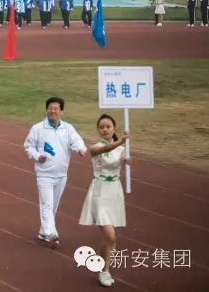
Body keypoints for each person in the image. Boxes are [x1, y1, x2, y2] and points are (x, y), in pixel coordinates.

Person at [23, 97, 87, 248]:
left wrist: (80, 149)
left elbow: (76, 141)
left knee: (53, 205)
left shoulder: (68, 128)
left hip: (61, 174)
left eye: (56, 109)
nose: (53, 111)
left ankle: (43, 232)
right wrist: (38, 156)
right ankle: (52, 233)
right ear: (46, 110)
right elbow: (28, 146)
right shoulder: (38, 128)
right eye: (50, 108)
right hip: (44, 174)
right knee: (47, 204)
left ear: (61, 111)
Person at [79, 114, 131, 288]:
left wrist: (127, 159)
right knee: (109, 234)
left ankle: (105, 263)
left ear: (113, 128)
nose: (105, 130)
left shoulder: (121, 149)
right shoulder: (95, 147)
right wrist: (121, 141)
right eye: (101, 127)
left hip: (114, 191)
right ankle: (104, 270)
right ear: (98, 130)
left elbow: (122, 159)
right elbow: (105, 149)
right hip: (99, 191)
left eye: (108, 126)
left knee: (113, 236)